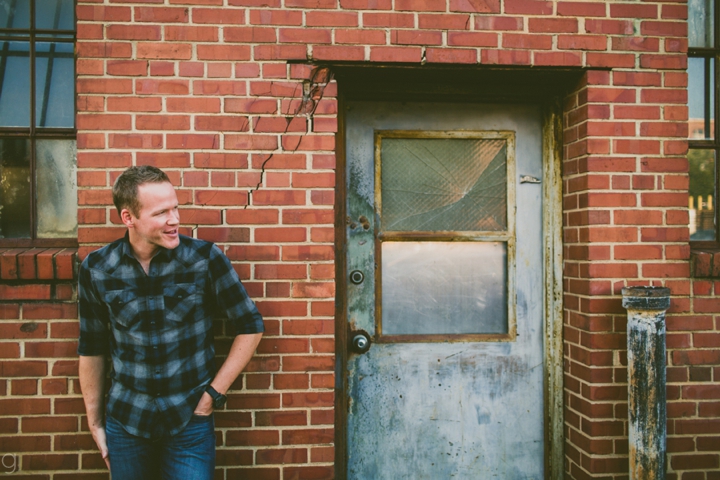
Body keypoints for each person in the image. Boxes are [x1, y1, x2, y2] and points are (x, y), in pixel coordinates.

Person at [77, 165, 264, 480]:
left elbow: (250, 325)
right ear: (128, 218)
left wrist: (211, 398)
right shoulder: (97, 268)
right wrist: (95, 423)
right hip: (126, 421)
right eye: (162, 212)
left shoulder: (204, 260)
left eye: (175, 208)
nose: (175, 219)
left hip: (189, 420)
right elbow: (92, 347)